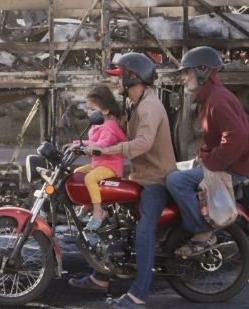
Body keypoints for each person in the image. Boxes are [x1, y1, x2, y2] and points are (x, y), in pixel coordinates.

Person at [68, 52, 177, 309]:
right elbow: (112, 132)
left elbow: (142, 143)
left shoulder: (150, 106)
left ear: (133, 77)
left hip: (155, 180)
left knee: (143, 231)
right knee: (116, 224)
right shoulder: (133, 104)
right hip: (137, 177)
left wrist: (106, 151)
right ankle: (101, 277)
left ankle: (139, 294)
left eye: (121, 77)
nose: (118, 83)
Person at [166, 46, 249, 258]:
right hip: (225, 164)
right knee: (172, 172)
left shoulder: (218, 99)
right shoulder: (209, 99)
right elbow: (217, 138)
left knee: (176, 181)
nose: (182, 77)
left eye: (186, 72)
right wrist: (202, 156)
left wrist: (211, 163)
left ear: (202, 71)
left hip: (232, 169)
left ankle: (202, 233)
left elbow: (237, 137)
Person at [73, 85, 128, 231]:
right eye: (88, 109)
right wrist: (75, 144)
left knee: (89, 178)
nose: (89, 112)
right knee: (77, 173)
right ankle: (88, 203)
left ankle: (98, 212)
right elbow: (93, 143)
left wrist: (87, 147)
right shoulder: (98, 124)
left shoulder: (110, 126)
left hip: (111, 166)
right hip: (99, 164)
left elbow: (102, 145)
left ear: (105, 110)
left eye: (92, 110)